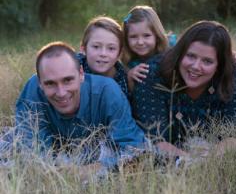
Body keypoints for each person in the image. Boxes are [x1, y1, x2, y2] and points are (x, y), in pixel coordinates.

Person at [15, 42, 146, 169]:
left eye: (68, 80)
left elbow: (135, 148)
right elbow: (31, 149)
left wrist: (90, 170)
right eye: (50, 83)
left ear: (81, 74)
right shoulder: (32, 91)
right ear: (40, 83)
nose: (61, 93)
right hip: (56, 160)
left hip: (99, 157)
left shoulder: (108, 92)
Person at [131, 20, 236, 149]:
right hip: (173, 159)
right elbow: (155, 139)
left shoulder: (232, 74)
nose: (196, 67)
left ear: (219, 65)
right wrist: (187, 161)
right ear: (180, 53)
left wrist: (207, 162)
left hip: (216, 153)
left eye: (207, 61)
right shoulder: (151, 73)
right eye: (191, 56)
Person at [77, 16, 129, 98]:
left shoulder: (123, 80)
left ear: (119, 54)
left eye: (111, 48)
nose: (103, 54)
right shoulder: (73, 66)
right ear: (83, 49)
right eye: (96, 47)